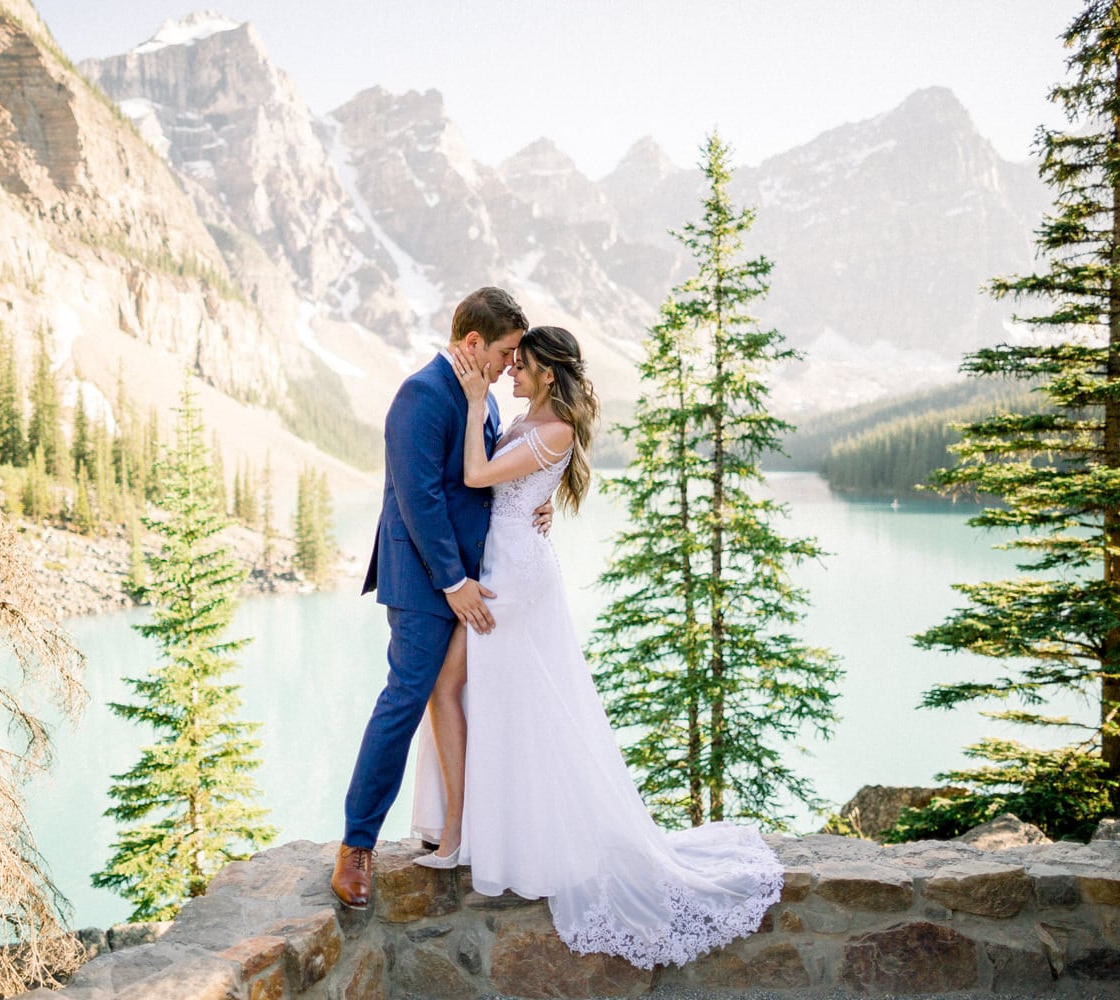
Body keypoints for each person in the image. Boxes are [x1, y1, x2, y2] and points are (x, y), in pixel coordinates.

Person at [409, 326, 784, 969]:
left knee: (469, 691)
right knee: (495, 696)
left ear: (547, 374)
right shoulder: (527, 417)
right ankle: (476, 832)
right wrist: (534, 494)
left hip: (513, 576)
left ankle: (464, 837)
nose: (510, 375)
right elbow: (513, 490)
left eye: (520, 367)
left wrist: (474, 406)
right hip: (505, 559)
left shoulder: (550, 430)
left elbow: (477, 473)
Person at [332, 286, 552, 909]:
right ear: (473, 342)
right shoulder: (421, 395)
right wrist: (455, 584)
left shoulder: (476, 397)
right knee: (405, 699)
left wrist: (537, 507)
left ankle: (462, 827)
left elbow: (485, 483)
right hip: (426, 581)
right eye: (507, 351)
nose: (514, 364)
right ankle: (355, 846)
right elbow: (420, 497)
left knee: (456, 696)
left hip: (470, 577)